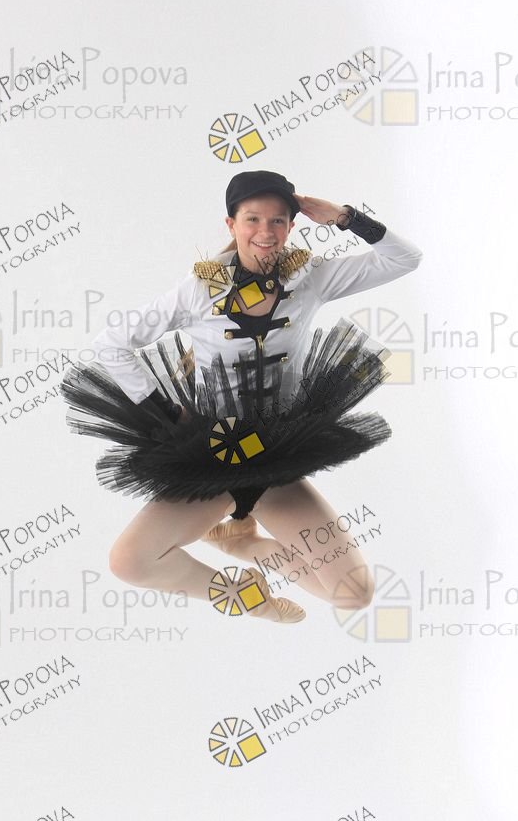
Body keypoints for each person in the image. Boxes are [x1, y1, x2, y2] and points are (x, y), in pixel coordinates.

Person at [60, 170, 421, 625]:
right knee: (129, 561)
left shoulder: (311, 279)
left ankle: (242, 542)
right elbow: (112, 344)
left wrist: (344, 217)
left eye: (277, 221)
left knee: (354, 595)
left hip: (278, 456)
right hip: (214, 456)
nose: (265, 232)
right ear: (231, 224)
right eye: (252, 219)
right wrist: (169, 415)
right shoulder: (197, 291)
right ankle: (244, 595)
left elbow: (404, 259)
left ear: (291, 227)